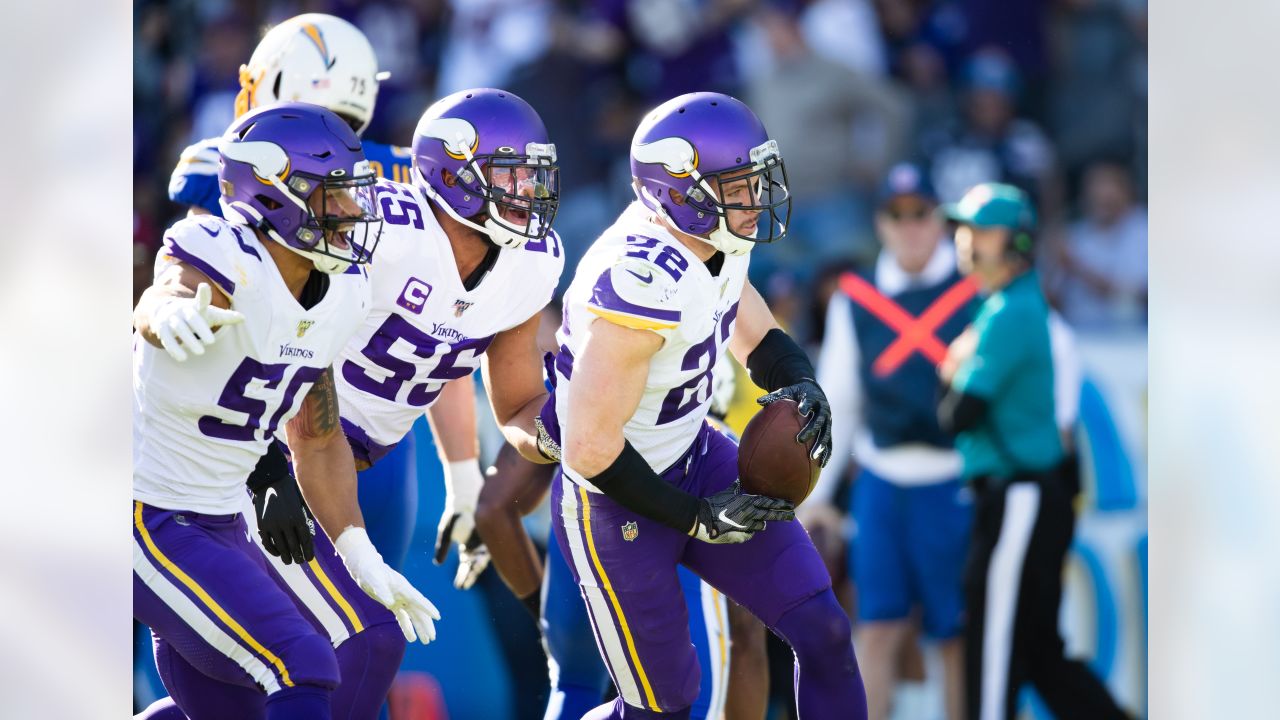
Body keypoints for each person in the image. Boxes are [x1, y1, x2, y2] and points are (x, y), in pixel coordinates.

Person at [536, 91, 866, 719]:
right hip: (612, 496)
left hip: (690, 449)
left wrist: (798, 378)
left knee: (823, 630)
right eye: (738, 185)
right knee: (664, 707)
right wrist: (694, 517)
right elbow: (589, 447)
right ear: (681, 190)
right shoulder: (638, 279)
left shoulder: (710, 234)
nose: (755, 199)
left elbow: (746, 318)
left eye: (755, 180)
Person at [132, 104, 440, 720]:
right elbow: (167, 290)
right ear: (273, 196)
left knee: (240, 706)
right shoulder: (220, 250)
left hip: (217, 521)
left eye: (356, 196)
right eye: (334, 197)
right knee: (303, 660)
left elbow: (318, 438)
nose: (353, 213)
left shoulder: (344, 289)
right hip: (146, 509)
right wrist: (166, 314)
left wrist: (358, 552)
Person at [164, 13, 423, 575]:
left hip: (270, 419)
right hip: (381, 437)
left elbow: (195, 294)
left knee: (232, 629)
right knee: (365, 632)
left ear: (267, 83)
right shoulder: (406, 173)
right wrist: (467, 468)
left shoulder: (228, 161)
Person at [474, 355, 766, 720]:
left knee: (574, 687)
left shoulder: (580, 372)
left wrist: (542, 610)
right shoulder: (708, 418)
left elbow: (492, 508)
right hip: (670, 568)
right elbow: (748, 636)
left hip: (583, 559)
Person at [936, 182, 1128, 720]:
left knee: (993, 643)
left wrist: (952, 369)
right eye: (965, 230)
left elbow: (957, 414)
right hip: (1029, 492)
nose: (967, 243)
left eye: (982, 232)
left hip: (1017, 493)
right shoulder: (1007, 306)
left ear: (1016, 242)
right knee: (1040, 652)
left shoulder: (1008, 314)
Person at [809, 162, 977, 720]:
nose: (910, 226)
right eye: (896, 215)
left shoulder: (977, 289)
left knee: (954, 636)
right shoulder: (854, 298)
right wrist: (818, 495)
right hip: (881, 481)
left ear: (942, 220)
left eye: (920, 214)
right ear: (881, 223)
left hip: (954, 478)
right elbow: (839, 401)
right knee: (876, 627)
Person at [1048, 159, 1148, 333]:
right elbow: (1052, 301)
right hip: (1081, 338)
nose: (1101, 195)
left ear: (1127, 192)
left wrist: (1076, 266)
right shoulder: (1074, 236)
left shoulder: (1145, 229)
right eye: (1095, 189)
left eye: (1110, 189)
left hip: (1136, 341)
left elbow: (1134, 296)